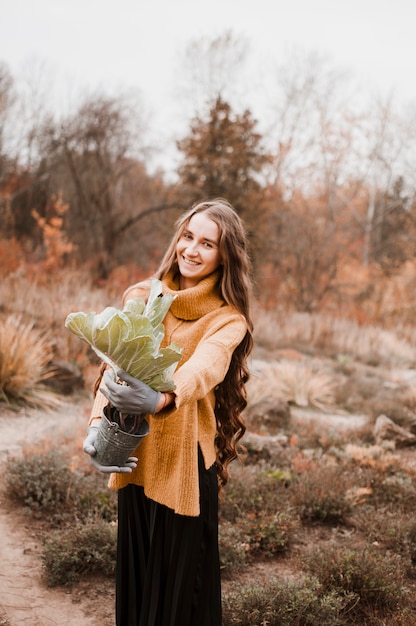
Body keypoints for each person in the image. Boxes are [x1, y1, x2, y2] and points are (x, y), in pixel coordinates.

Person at [83, 198, 254, 626]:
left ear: (225, 255)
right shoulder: (142, 296)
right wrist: (94, 430)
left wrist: (162, 398)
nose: (191, 250)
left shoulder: (227, 319)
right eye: (187, 236)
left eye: (207, 244)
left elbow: (205, 367)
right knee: (138, 585)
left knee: (181, 597)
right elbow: (113, 368)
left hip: (185, 468)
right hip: (136, 457)